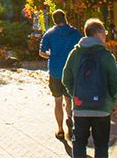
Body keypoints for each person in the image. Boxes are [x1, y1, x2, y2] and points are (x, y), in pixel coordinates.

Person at [62, 18, 117, 158]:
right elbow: (116, 82)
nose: (106, 36)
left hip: (80, 107)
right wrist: (111, 101)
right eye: (104, 32)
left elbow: (66, 78)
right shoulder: (106, 56)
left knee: (79, 144)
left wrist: (75, 95)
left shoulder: (75, 54)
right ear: (97, 34)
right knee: (101, 146)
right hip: (102, 108)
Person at [39, 9, 83, 140]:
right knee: (69, 100)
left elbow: (41, 52)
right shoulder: (75, 33)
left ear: (54, 20)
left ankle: (60, 130)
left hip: (55, 71)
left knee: (57, 101)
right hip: (71, 72)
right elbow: (81, 49)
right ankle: (70, 119)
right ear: (65, 18)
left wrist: (50, 56)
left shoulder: (50, 34)